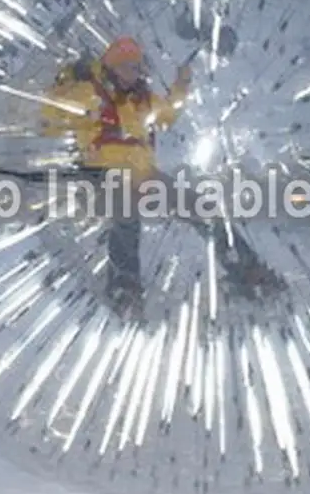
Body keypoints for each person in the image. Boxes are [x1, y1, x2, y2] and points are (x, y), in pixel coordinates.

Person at [41, 37, 285, 316]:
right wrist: (66, 80)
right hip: (102, 175)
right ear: (112, 67)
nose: (135, 72)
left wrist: (182, 84)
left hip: (144, 176)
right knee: (126, 213)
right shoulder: (90, 92)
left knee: (202, 209)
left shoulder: (141, 99)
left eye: (138, 67)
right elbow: (50, 116)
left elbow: (168, 114)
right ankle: (124, 289)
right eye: (129, 67)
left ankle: (247, 270)